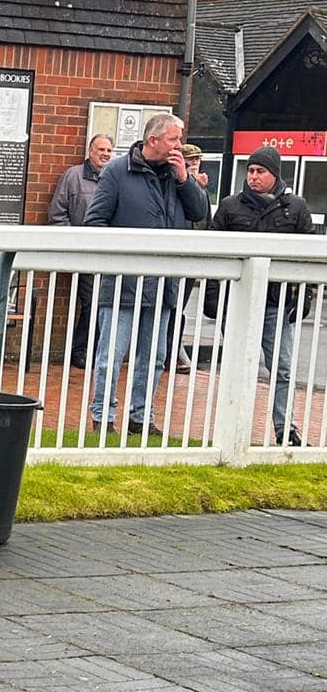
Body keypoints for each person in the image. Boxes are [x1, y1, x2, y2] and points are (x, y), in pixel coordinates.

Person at [84, 113, 206, 436]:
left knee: (155, 357)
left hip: (165, 283)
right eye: (173, 140)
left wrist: (184, 180)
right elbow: (94, 223)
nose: (179, 146)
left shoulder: (177, 176)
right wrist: (121, 258)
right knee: (111, 355)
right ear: (153, 141)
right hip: (123, 284)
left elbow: (200, 212)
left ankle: (142, 417)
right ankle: (103, 417)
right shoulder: (117, 172)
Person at [212, 144, 321, 445]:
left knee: (282, 368)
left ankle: (285, 428)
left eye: (260, 171)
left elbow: (307, 258)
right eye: (250, 170)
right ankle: (230, 427)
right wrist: (212, 298)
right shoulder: (230, 206)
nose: (254, 176)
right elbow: (214, 253)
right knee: (236, 364)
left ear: (275, 174)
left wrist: (304, 298)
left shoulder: (296, 208)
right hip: (237, 302)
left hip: (276, 303)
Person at [47, 132, 113, 367]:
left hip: (108, 255)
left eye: (108, 150)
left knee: (104, 301)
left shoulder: (113, 178)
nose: (105, 154)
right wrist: (75, 244)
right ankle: (82, 350)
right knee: (92, 301)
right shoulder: (73, 177)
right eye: (100, 149)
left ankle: (96, 350)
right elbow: (57, 214)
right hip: (83, 253)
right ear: (90, 151)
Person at [162, 143, 213, 374]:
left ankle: (173, 349)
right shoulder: (175, 185)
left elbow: (206, 221)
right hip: (173, 256)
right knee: (169, 306)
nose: (193, 165)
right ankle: (171, 352)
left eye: (196, 161)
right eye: (189, 161)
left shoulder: (201, 189)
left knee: (178, 307)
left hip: (193, 257)